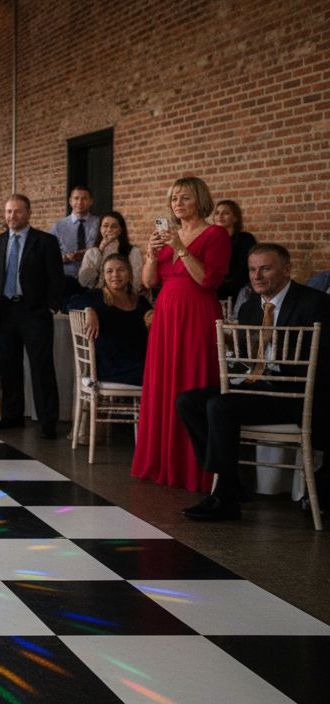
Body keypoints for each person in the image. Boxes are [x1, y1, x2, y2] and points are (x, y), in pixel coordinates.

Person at [176, 244, 330, 521]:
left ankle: (225, 496)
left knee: (220, 406)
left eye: (265, 268)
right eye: (252, 270)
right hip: (258, 386)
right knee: (187, 401)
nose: (257, 276)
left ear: (286, 269)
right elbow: (249, 360)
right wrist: (234, 353)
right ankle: (231, 481)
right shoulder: (249, 308)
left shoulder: (315, 304)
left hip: (295, 394)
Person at [134, 177, 230, 491]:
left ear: (200, 200)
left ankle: (196, 468)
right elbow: (149, 283)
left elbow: (208, 281)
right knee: (163, 384)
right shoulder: (168, 236)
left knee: (193, 380)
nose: (178, 203)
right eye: (174, 198)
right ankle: (161, 460)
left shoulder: (215, 234)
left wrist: (180, 248)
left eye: (185, 197)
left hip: (197, 315)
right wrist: (150, 252)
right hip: (166, 317)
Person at [0, 194, 65, 439]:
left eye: (17, 211)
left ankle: (48, 422)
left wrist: (51, 306)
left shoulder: (45, 241)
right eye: (8, 212)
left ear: (28, 213)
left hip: (34, 312)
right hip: (5, 312)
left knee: (41, 367)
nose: (12, 216)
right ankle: (12, 415)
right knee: (8, 366)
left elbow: (56, 278)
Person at [65, 253, 150, 385]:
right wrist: (89, 309)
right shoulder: (96, 297)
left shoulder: (140, 302)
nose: (115, 275)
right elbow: (70, 302)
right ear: (104, 276)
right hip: (112, 367)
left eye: (121, 270)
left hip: (140, 362)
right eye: (109, 271)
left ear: (129, 274)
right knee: (162, 373)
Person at [50, 185, 99, 297]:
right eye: (76, 198)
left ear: (91, 201)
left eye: (84, 198)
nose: (80, 202)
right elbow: (49, 257)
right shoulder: (58, 227)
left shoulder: (99, 224)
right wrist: (66, 257)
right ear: (70, 201)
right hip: (66, 280)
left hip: (93, 280)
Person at [77, 211, 143, 292]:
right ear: (100, 229)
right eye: (105, 226)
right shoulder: (91, 252)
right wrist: (100, 251)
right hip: (97, 297)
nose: (109, 230)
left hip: (124, 297)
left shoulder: (133, 251)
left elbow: (136, 283)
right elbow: (84, 281)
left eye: (114, 226)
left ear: (120, 230)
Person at [214, 199, 257, 302]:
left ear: (235, 218)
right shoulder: (211, 241)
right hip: (214, 291)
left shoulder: (245, 239)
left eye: (226, 213)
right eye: (217, 213)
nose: (220, 216)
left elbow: (244, 269)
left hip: (239, 292)